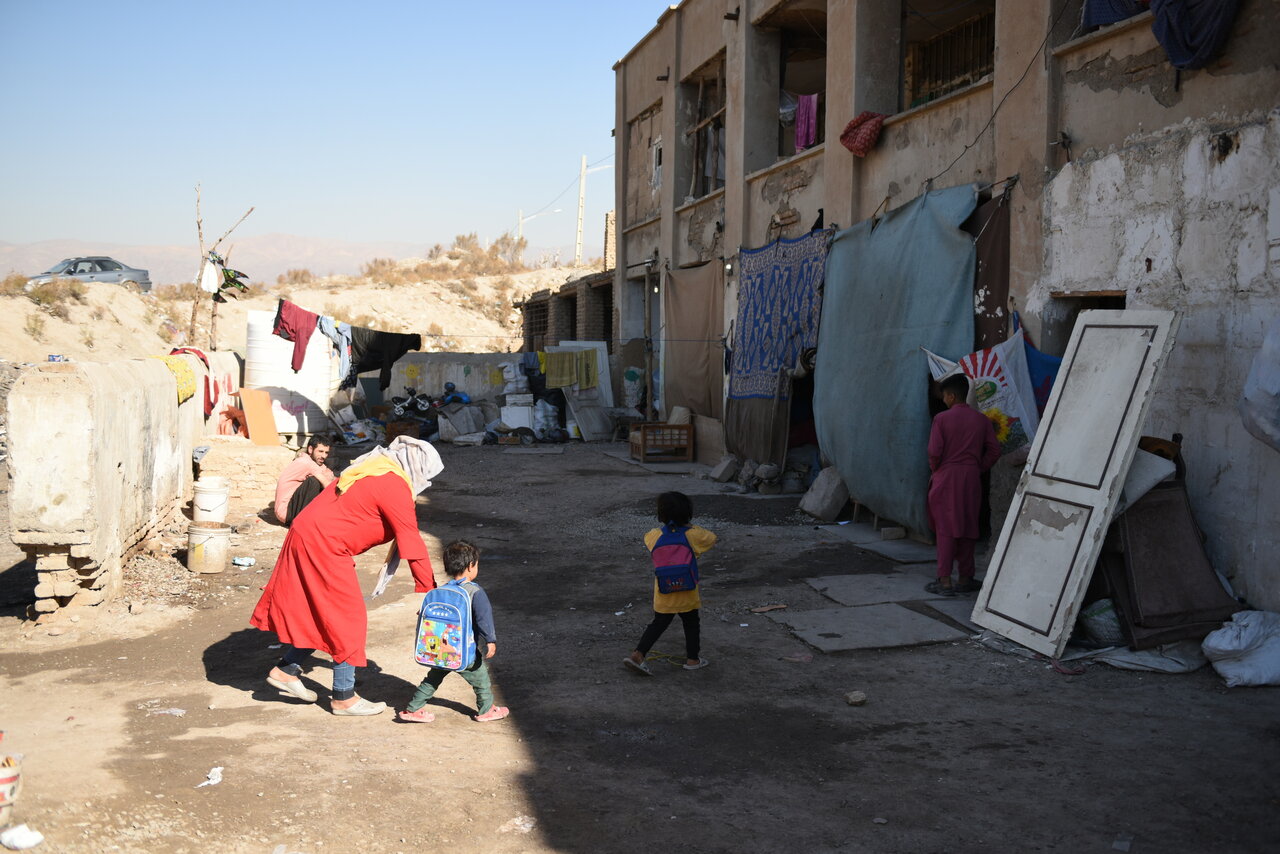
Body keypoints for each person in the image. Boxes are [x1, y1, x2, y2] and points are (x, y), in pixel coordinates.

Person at [250, 435, 443, 716]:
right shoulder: (393, 484)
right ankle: (343, 697)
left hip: (310, 537)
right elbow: (410, 537)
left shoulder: (374, 470)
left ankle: (286, 671)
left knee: (320, 613)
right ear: (416, 465)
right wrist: (429, 588)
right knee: (348, 617)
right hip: (323, 545)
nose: (426, 480)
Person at [398, 540, 509, 723]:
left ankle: (412, 709)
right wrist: (490, 640)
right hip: (463, 651)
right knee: (481, 679)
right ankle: (487, 709)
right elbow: (484, 619)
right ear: (470, 566)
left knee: (432, 680)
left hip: (439, 650)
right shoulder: (475, 592)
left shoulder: (441, 591)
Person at [624, 491, 717, 675]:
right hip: (687, 590)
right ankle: (692, 660)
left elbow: (647, 538)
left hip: (664, 590)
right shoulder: (692, 535)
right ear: (687, 512)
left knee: (659, 623)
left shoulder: (653, 536)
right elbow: (711, 538)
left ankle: (638, 654)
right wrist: (688, 525)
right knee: (691, 622)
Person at [926, 373, 1000, 596]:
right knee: (968, 526)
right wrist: (978, 467)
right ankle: (966, 577)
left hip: (947, 477)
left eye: (944, 396)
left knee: (946, 528)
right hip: (971, 478)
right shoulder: (981, 420)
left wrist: (936, 469)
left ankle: (945, 580)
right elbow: (995, 450)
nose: (943, 400)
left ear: (950, 396)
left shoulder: (941, 419)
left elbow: (934, 452)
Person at [273, 436, 335, 526]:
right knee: (314, 482)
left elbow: (331, 475)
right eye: (320, 451)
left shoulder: (315, 462)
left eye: (326, 452)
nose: (324, 456)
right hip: (287, 513)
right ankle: (306, 522)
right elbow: (328, 485)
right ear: (310, 449)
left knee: (320, 481)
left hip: (294, 507)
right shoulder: (306, 462)